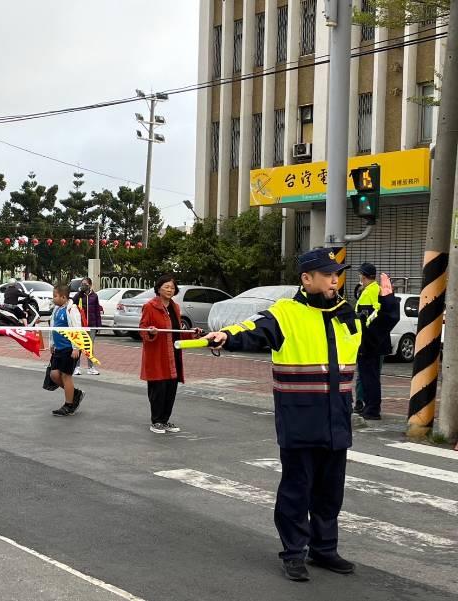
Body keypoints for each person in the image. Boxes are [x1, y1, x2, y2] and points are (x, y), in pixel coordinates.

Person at [205, 249, 399, 582]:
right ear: (306, 279)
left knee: (329, 492)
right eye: (327, 274)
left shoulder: (345, 313)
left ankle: (324, 550)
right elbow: (254, 329)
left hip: (336, 421)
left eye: (337, 274)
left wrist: (390, 306)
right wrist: (227, 336)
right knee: (297, 491)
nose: (334, 280)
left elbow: (372, 340)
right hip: (299, 419)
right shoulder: (286, 313)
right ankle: (294, 552)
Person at [140, 275, 200, 434]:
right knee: (158, 389)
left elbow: (178, 331)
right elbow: (142, 329)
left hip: (173, 353)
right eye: (166, 287)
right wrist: (150, 332)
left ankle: (165, 420)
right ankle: (156, 421)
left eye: (172, 288)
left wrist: (193, 333)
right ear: (158, 288)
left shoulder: (175, 307)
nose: (169, 290)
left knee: (170, 389)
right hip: (157, 354)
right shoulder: (149, 306)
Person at [354, 262, 390, 420]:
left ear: (363, 275)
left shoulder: (373, 290)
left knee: (370, 377)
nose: (359, 277)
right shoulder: (370, 289)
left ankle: (372, 409)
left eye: (360, 274)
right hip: (371, 341)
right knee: (367, 376)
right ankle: (368, 406)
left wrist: (366, 323)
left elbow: (377, 311)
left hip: (371, 342)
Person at [49, 284, 84, 416]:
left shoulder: (71, 309)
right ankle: (75, 393)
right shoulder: (57, 309)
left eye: (55, 296)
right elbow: (53, 327)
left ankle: (69, 405)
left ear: (64, 297)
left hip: (69, 349)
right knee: (54, 375)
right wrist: (52, 343)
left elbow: (77, 328)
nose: (53, 298)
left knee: (65, 375)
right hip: (58, 349)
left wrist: (76, 347)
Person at [73, 277, 103, 376]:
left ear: (90, 285)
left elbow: (97, 311)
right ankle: (76, 367)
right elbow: (72, 307)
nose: (83, 285)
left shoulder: (94, 296)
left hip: (91, 325)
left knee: (89, 346)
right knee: (79, 346)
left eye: (85, 284)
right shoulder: (78, 296)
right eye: (82, 284)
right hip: (80, 325)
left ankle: (91, 367)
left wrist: (98, 325)